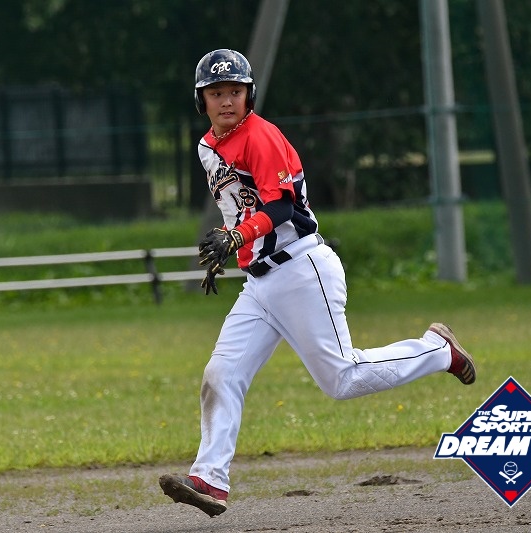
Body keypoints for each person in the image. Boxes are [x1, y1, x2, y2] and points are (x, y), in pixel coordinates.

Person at [158, 49, 476, 518]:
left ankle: (437, 350)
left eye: (235, 91)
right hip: (259, 284)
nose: (226, 100)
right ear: (200, 100)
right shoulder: (208, 147)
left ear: (249, 95)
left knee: (343, 379)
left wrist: (237, 237)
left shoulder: (261, 136)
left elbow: (281, 207)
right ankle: (210, 479)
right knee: (221, 374)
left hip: (301, 271)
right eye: (216, 92)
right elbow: (241, 207)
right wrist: (230, 245)